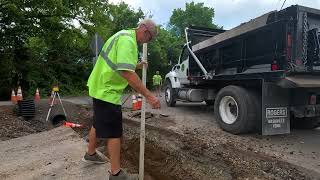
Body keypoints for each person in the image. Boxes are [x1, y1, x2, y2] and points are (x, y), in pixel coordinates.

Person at [83, 19, 160, 180]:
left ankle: (90, 153)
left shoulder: (123, 36)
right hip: (107, 91)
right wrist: (150, 96)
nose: (148, 42)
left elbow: (120, 63)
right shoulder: (128, 41)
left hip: (100, 87)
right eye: (150, 38)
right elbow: (126, 72)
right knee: (114, 134)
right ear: (145, 31)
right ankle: (116, 174)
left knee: (98, 123)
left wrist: (138, 65)